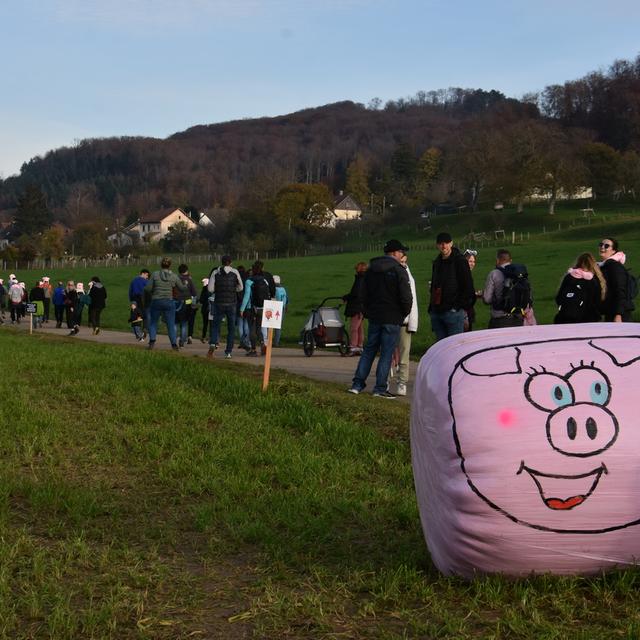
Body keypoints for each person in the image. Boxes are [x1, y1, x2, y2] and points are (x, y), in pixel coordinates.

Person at [348, 239, 413, 399]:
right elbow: (406, 297)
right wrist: (402, 314)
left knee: (369, 350)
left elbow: (363, 295)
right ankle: (379, 388)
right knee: (386, 353)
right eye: (401, 252)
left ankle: (357, 385)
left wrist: (368, 312)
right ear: (395, 253)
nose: (402, 255)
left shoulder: (371, 270)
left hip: (375, 317)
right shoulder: (399, 270)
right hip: (392, 317)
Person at [428, 232, 474, 340]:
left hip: (453, 312)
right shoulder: (437, 262)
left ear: (451, 243)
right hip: (437, 311)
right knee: (441, 347)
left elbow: (468, 287)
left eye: (447, 243)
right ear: (437, 245)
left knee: (454, 346)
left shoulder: (460, 261)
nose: (444, 246)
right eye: (441, 243)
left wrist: (457, 307)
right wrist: (432, 308)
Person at [144, 257, 189, 350]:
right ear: (170, 265)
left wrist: (153, 291)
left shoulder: (155, 274)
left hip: (156, 301)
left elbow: (147, 288)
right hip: (169, 301)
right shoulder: (174, 276)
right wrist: (186, 283)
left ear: (161, 264)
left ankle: (152, 342)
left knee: (153, 323)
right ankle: (174, 345)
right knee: (171, 324)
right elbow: (182, 288)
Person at [207, 255, 243, 358]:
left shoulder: (216, 272)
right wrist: (233, 290)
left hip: (219, 302)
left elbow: (210, 289)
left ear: (222, 262)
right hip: (232, 303)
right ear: (231, 262)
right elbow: (241, 287)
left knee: (215, 325)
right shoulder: (235, 272)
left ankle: (213, 343)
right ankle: (228, 352)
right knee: (231, 328)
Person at [554, 252, 606, 324]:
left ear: (579, 262)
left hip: (566, 317)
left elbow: (559, 298)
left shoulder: (569, 276)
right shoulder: (593, 279)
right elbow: (597, 301)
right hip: (588, 319)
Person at [393, 253, 418, 397]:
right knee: (389, 353)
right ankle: (386, 378)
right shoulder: (392, 274)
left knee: (404, 353)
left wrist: (412, 322)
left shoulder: (409, 276)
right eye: (399, 261)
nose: (401, 263)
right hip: (391, 319)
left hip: (405, 320)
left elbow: (412, 301)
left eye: (403, 261)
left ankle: (402, 382)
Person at [482, 249, 527, 329]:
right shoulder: (519, 273)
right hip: (518, 319)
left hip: (500, 319)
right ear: (511, 260)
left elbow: (487, 299)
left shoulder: (494, 273)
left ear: (497, 260)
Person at [239, 261, 275, 357]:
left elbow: (246, 296)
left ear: (253, 271)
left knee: (252, 329)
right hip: (263, 308)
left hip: (252, 308)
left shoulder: (249, 281)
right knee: (259, 328)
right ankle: (263, 344)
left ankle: (253, 349)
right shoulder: (264, 280)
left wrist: (242, 309)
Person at [598, 237, 634, 322]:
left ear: (613, 251)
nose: (602, 247)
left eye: (606, 246)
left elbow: (620, 291)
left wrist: (618, 314)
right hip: (610, 311)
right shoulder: (605, 266)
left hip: (619, 314)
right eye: (601, 244)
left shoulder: (614, 266)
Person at [342, 262, 368, 355]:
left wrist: (346, 297)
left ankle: (353, 346)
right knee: (360, 328)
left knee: (354, 328)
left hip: (356, 307)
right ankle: (360, 346)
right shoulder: (366, 279)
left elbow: (355, 294)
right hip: (362, 308)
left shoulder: (360, 280)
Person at [175, 264, 197, 347]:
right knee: (184, 323)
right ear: (186, 271)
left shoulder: (175, 279)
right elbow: (194, 292)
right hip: (187, 303)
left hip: (176, 302)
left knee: (175, 322)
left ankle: (174, 340)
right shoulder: (189, 279)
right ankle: (182, 340)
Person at [462, 249, 480, 332]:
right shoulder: (463, 275)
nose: (472, 264)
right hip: (464, 311)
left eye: (473, 261)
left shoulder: (468, 275)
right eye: (470, 261)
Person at [128, 269, 150, 335]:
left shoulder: (134, 280)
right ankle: (145, 328)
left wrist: (131, 300)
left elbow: (130, 291)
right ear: (143, 273)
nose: (147, 277)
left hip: (134, 299)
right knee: (145, 314)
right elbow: (148, 291)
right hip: (143, 299)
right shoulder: (146, 281)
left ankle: (138, 331)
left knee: (136, 314)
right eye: (147, 275)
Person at [272, 275, 288, 347]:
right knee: (278, 326)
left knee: (270, 325)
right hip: (282, 307)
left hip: (274, 307)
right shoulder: (283, 289)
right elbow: (286, 298)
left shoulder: (274, 289)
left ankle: (269, 341)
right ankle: (276, 342)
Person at [198, 277, 210, 343]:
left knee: (205, 324)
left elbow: (201, 300)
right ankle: (212, 337)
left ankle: (203, 337)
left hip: (205, 309)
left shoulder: (204, 290)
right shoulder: (213, 289)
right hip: (211, 309)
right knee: (212, 324)